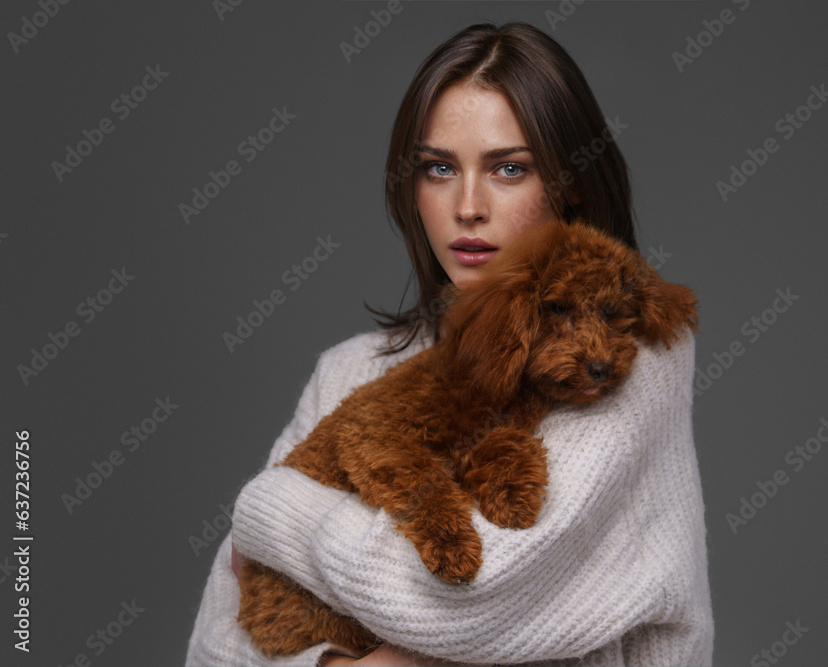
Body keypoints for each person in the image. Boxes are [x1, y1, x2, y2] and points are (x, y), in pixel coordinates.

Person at [185, 21, 713, 667]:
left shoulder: (625, 364)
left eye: (509, 169)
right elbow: (214, 647)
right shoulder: (351, 368)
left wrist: (270, 507)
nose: (467, 206)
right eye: (439, 168)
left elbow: (472, 599)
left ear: (571, 183)